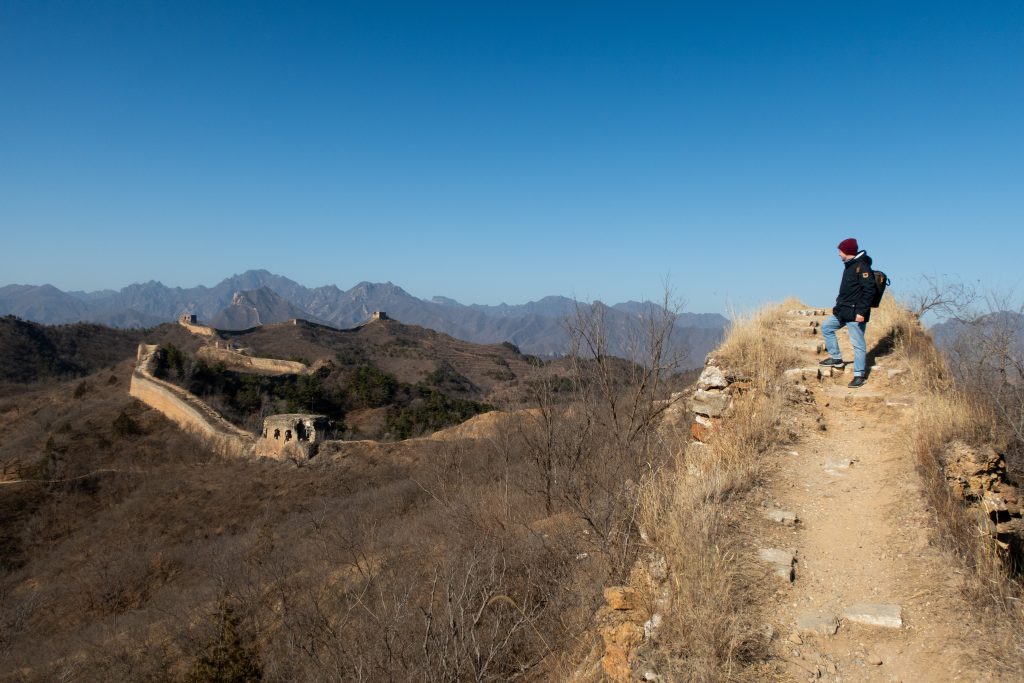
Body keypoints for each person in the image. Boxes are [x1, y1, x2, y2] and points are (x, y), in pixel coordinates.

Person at [819, 238, 877, 388]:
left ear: (847, 251)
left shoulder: (862, 267)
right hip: (843, 311)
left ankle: (859, 375)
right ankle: (836, 358)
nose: (839, 254)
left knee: (858, 344)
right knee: (826, 328)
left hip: (856, 314)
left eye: (840, 251)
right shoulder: (849, 266)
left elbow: (869, 291)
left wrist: (862, 312)